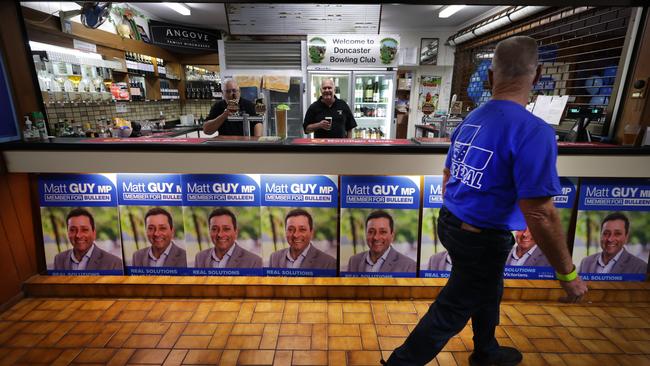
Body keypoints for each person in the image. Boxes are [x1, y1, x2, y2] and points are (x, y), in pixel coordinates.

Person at [384, 36, 587, 366]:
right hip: (480, 236)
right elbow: (540, 212)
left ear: (490, 78)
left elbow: (448, 174)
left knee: (488, 286)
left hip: (451, 222)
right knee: (452, 308)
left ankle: (486, 350)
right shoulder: (534, 131)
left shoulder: (473, 118)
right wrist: (568, 275)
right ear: (535, 77)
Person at [54, 208, 123, 271]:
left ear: (94, 233)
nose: (78, 235)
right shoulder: (59, 259)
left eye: (84, 230)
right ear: (67, 233)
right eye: (72, 230)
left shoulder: (114, 263)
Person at [347, 210, 416, 273]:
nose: (376, 237)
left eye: (383, 232)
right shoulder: (353, 261)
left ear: (392, 236)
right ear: (366, 234)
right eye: (371, 232)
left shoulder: (408, 266)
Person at [578, 212, 647, 274]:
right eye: (606, 233)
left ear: (626, 237)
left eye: (617, 234)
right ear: (600, 235)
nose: (610, 239)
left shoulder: (640, 267)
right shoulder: (585, 263)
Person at [269, 209, 336, 269]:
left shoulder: (328, 263)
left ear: (311, 233)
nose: (295, 235)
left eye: (302, 229)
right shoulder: (274, 258)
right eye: (291, 229)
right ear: (285, 231)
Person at [195, 208, 262, 268]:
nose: (220, 234)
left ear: (236, 232)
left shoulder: (254, 262)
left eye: (226, 229)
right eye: (214, 229)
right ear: (209, 231)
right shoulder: (200, 258)